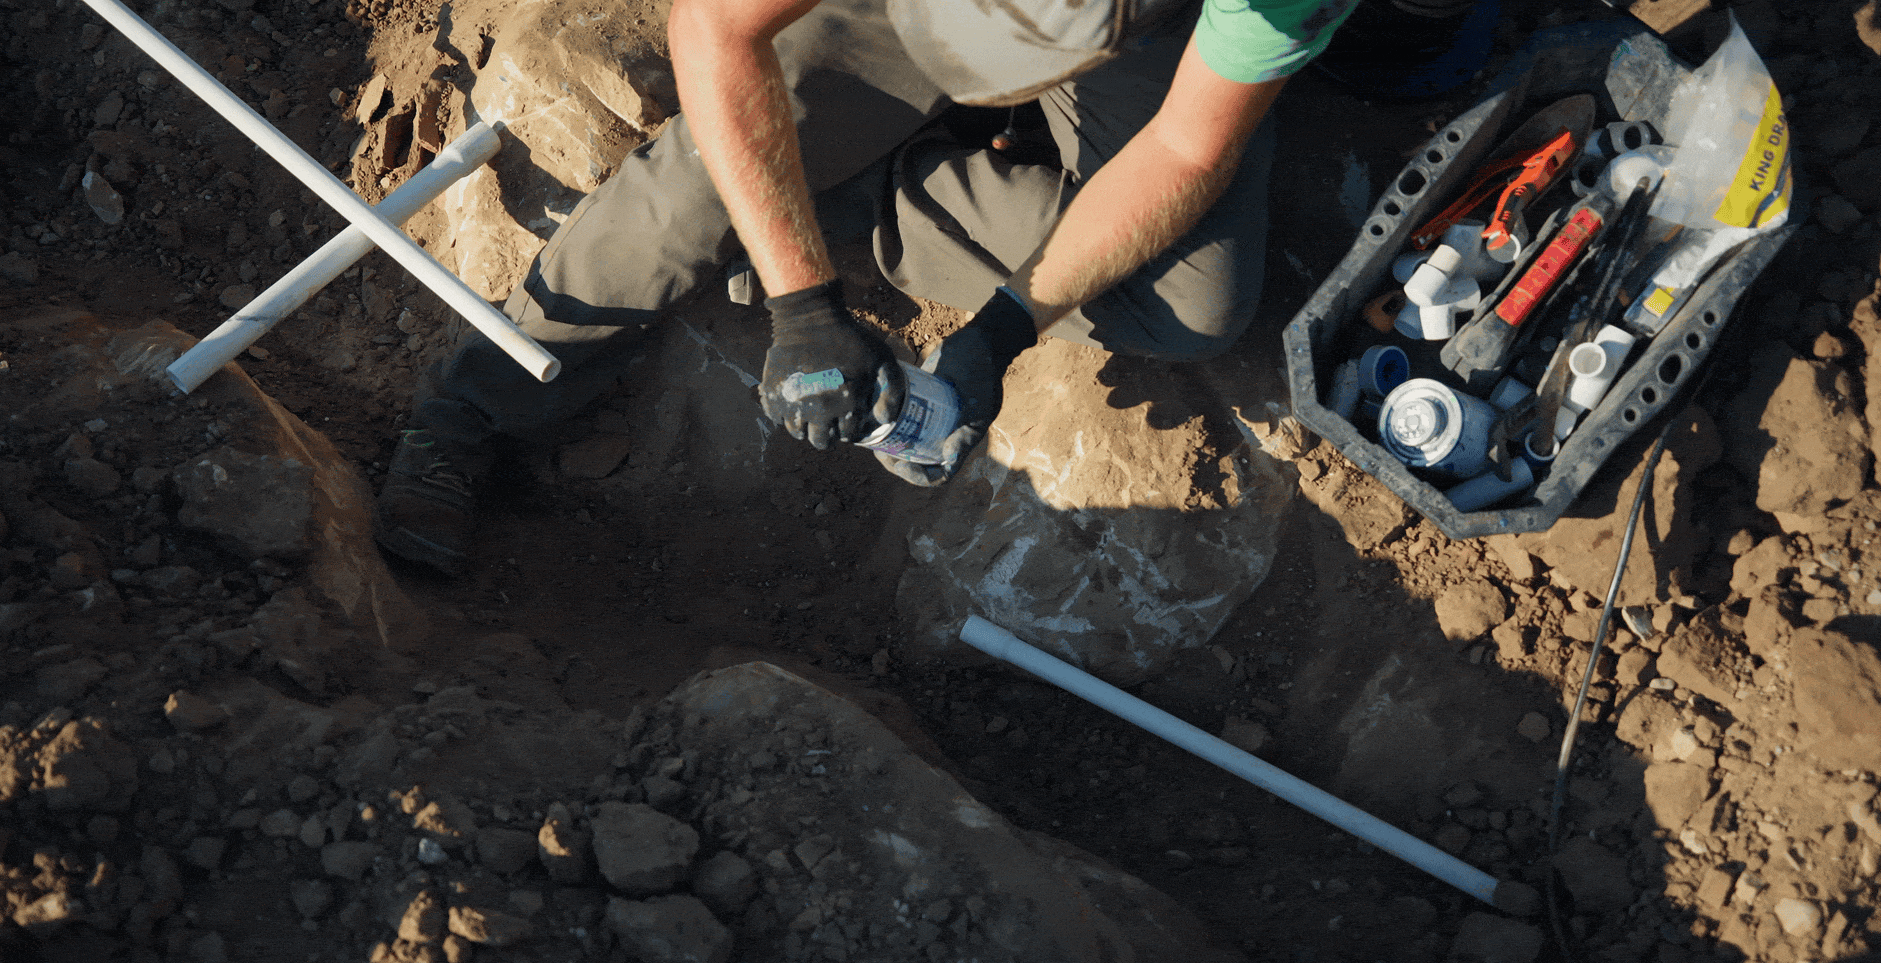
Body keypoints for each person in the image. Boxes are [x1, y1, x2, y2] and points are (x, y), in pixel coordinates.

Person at [374, 0, 1491, 574]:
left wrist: (999, 334)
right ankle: (467, 414)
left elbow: (1187, 153)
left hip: (1148, 34)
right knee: (698, 192)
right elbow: (717, 26)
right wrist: (802, 306)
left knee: (1188, 305)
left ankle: (832, 196)